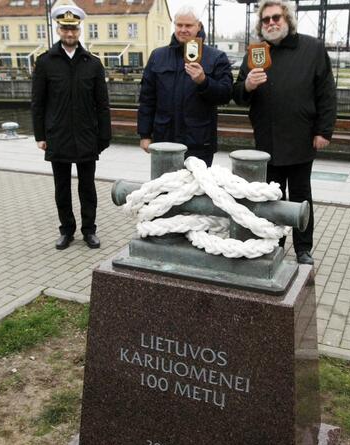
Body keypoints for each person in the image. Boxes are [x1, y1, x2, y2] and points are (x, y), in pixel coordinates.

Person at [233, 0, 336, 266]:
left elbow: (326, 93)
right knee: (270, 198)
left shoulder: (312, 48)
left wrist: (324, 130)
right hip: (267, 141)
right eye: (265, 20)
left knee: (301, 197)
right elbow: (239, 97)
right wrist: (247, 84)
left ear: (287, 19)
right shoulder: (255, 53)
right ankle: (273, 243)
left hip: (301, 138)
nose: (271, 23)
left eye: (276, 17)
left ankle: (303, 248)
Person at [31, 3, 111, 250]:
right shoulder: (45, 63)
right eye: (65, 28)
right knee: (62, 188)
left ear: (79, 29)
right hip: (59, 136)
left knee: (87, 188)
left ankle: (89, 231)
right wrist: (40, 135)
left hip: (87, 136)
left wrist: (104, 136)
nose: (69, 33)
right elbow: (38, 103)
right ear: (58, 29)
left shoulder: (93, 64)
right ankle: (67, 230)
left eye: (73, 29)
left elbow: (102, 105)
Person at [137, 6, 233, 167]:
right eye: (179, 25)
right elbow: (147, 99)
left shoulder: (216, 57)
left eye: (188, 26)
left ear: (198, 26)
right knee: (164, 190)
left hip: (199, 142)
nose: (183, 30)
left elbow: (226, 94)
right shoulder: (158, 56)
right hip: (165, 140)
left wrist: (204, 82)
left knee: (197, 190)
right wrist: (144, 134)